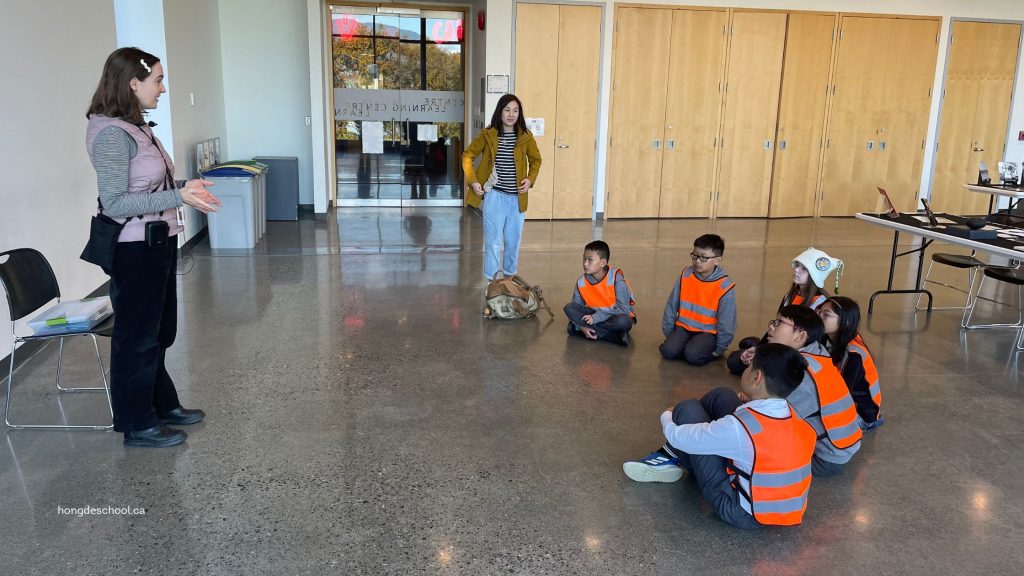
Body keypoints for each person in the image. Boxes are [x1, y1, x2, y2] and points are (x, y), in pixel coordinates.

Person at [86, 47, 221, 447]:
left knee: (159, 333)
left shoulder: (137, 128)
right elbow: (115, 203)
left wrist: (184, 188)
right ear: (133, 84)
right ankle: (136, 423)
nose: (163, 88)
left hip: (157, 243)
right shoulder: (113, 134)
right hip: (134, 249)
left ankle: (162, 404)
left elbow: (151, 187)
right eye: (158, 80)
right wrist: (180, 199)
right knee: (137, 337)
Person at [623, 343, 817, 529]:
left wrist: (667, 414)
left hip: (742, 512)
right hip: (783, 508)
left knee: (686, 409)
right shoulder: (796, 417)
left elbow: (678, 437)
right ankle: (672, 455)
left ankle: (671, 455)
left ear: (757, 377)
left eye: (749, 367)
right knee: (722, 395)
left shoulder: (739, 428)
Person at [764, 305, 862, 476]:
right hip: (843, 446)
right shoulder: (817, 352)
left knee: (755, 443)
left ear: (801, 336)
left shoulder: (801, 375)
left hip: (825, 458)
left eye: (779, 323)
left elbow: (773, 417)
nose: (771, 326)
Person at [726, 247, 844, 375]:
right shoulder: (791, 295)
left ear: (814, 275)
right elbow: (778, 325)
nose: (796, 270)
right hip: (780, 343)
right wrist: (759, 349)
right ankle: (756, 344)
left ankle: (757, 345)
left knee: (738, 363)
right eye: (797, 265)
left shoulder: (820, 304)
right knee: (737, 360)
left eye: (804, 269)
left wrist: (763, 352)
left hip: (794, 353)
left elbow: (811, 343)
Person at [462, 94, 542, 282]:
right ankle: (492, 282)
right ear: (500, 112)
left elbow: (536, 159)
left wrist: (530, 179)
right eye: (507, 110)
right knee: (492, 242)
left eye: (515, 110)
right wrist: (473, 181)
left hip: (517, 199)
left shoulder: (525, 136)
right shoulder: (488, 134)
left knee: (513, 242)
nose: (511, 114)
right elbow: (468, 155)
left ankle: (509, 281)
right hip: (495, 197)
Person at [659, 234, 735, 365]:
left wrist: (719, 349)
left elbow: (727, 322)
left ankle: (694, 348)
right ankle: (687, 346)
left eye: (704, 257)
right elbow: (671, 305)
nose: (697, 261)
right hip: (683, 327)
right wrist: (669, 333)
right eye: (695, 255)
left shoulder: (725, 286)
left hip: (707, 332)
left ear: (717, 260)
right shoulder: (686, 275)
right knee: (668, 351)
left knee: (693, 356)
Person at [818, 297, 884, 431]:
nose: (819, 316)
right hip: (850, 402)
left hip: (863, 415)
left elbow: (842, 394)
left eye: (826, 314)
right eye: (819, 311)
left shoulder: (853, 354)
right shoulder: (830, 338)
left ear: (845, 322)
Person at [563, 240, 636, 346]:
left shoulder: (616, 279)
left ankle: (579, 329)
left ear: (603, 262)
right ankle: (610, 336)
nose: (585, 263)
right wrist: (583, 327)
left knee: (624, 321)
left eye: (590, 260)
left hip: (613, 316)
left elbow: (624, 310)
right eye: (584, 258)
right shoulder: (581, 281)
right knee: (569, 308)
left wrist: (595, 318)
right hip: (591, 314)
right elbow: (575, 306)